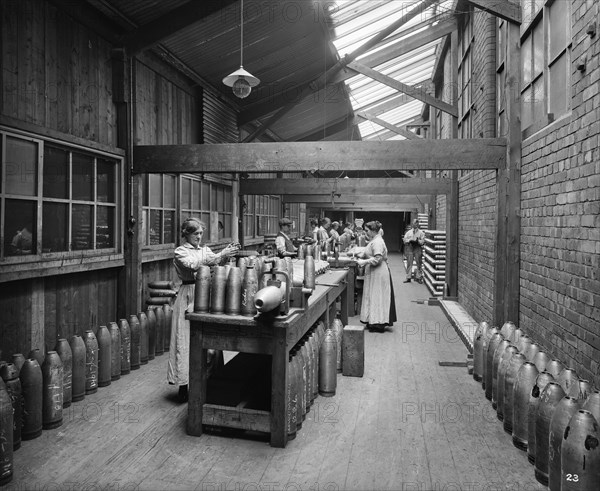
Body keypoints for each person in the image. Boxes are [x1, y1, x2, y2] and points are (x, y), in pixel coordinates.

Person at [167, 217, 239, 402]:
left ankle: (210, 380)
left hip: (205, 291)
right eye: (196, 233)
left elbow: (211, 260)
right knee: (184, 339)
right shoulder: (180, 251)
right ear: (187, 234)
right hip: (188, 294)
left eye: (201, 233)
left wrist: (223, 254)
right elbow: (194, 265)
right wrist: (219, 255)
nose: (199, 236)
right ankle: (184, 385)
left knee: (207, 336)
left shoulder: (204, 249)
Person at [354, 221, 397, 332]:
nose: (366, 233)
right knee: (373, 296)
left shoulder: (378, 242)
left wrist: (363, 262)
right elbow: (370, 252)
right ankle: (373, 321)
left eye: (367, 231)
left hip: (378, 272)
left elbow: (377, 259)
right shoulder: (375, 240)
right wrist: (361, 254)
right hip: (374, 272)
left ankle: (378, 323)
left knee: (377, 296)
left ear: (373, 231)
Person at [403, 218, 425, 283]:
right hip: (410, 248)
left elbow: (423, 241)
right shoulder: (408, 233)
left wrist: (418, 241)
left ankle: (419, 277)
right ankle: (408, 277)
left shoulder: (421, 233)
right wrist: (409, 240)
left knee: (419, 263)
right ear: (412, 224)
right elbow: (404, 240)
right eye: (415, 223)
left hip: (417, 248)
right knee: (409, 263)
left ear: (418, 224)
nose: (416, 224)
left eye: (417, 223)